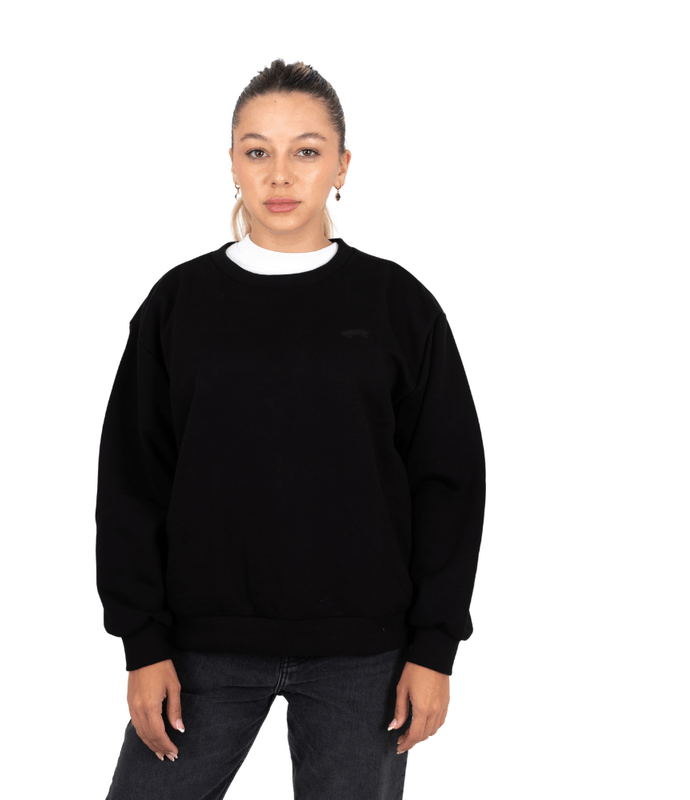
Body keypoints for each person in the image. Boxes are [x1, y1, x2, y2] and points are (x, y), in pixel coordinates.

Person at [95, 58, 486, 800]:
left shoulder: (398, 306)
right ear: (232, 164)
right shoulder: (178, 305)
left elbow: (449, 485)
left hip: (364, 655)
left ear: (342, 166)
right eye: (257, 151)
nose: (280, 174)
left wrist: (435, 647)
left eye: (306, 151)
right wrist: (141, 643)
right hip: (198, 650)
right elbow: (131, 482)